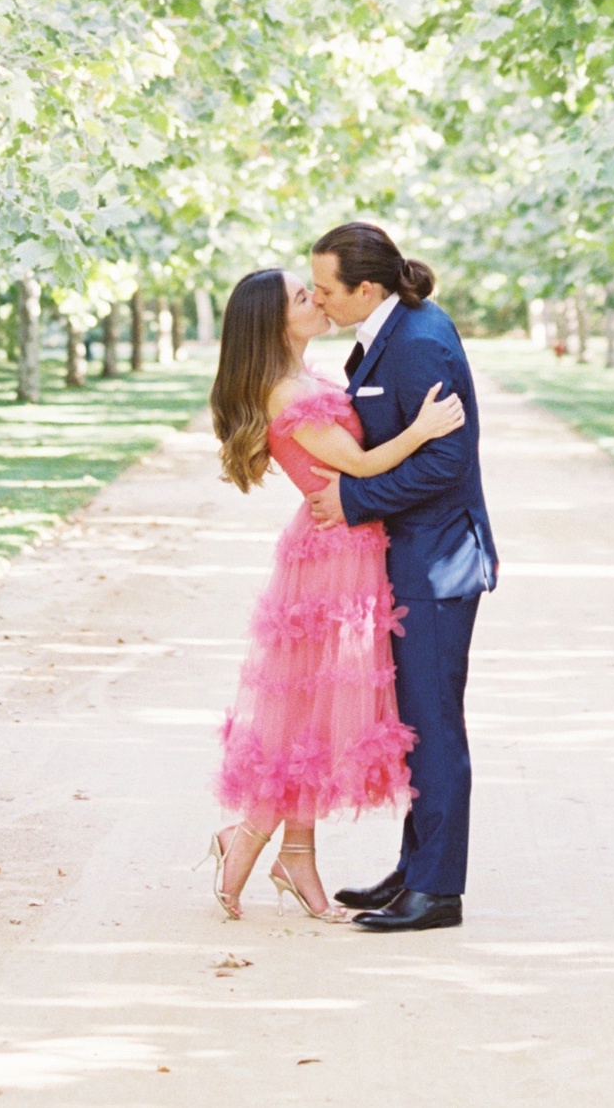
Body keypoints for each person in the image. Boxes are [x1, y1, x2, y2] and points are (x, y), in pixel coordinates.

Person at [207, 266, 467, 921]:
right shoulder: (288, 391)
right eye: (304, 296)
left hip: (347, 546)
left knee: (312, 709)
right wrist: (424, 428)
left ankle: (295, 853)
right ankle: (245, 843)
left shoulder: (304, 376)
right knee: (306, 711)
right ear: (275, 322)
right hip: (332, 557)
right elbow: (360, 464)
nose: (318, 299)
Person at [306, 220, 497, 935]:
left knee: (434, 724)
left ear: (366, 288)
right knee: (415, 721)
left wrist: (352, 500)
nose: (318, 301)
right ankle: (416, 869)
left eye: (326, 289)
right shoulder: (392, 329)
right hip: (414, 557)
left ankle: (437, 891)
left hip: (438, 563)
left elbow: (446, 461)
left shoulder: (419, 342)